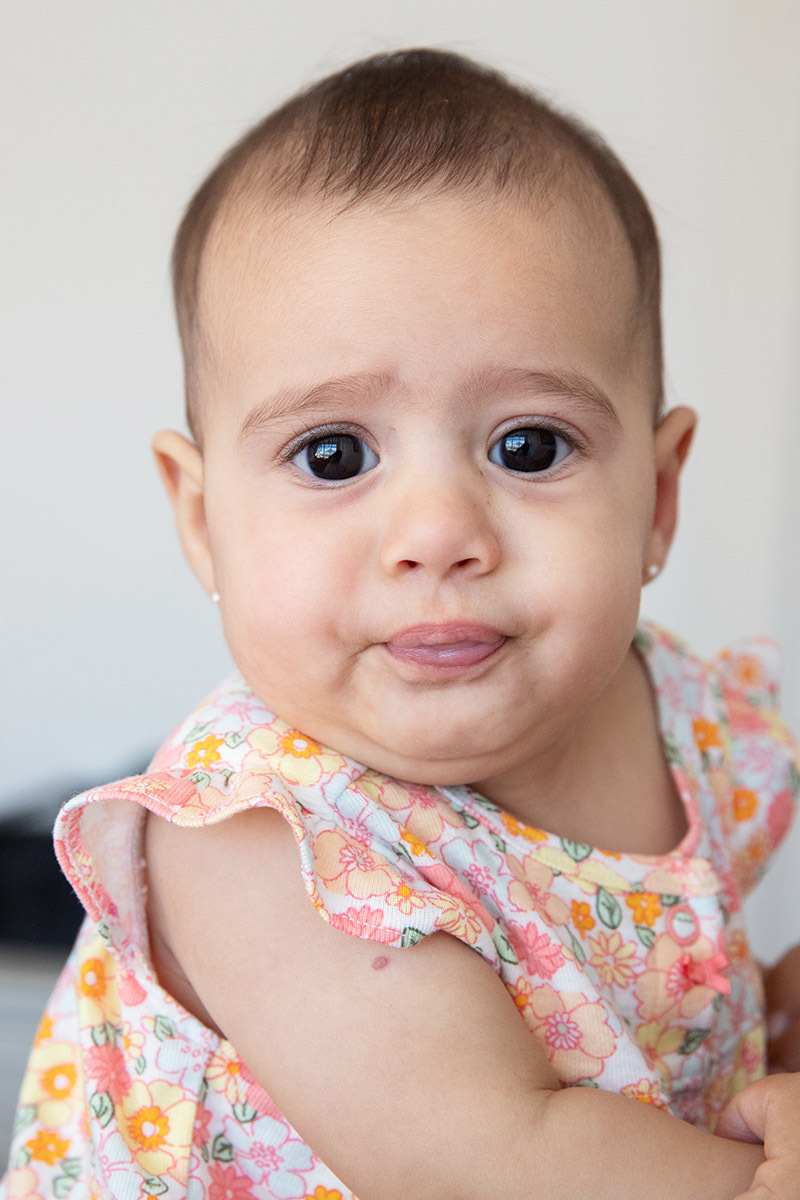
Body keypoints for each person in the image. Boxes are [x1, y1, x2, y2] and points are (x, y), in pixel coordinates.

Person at [3, 47, 800, 1200]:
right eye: (333, 456)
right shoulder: (256, 839)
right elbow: (487, 1156)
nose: (436, 533)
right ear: (202, 517)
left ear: (657, 497)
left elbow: (683, 979)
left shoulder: (684, 712)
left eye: (528, 446)